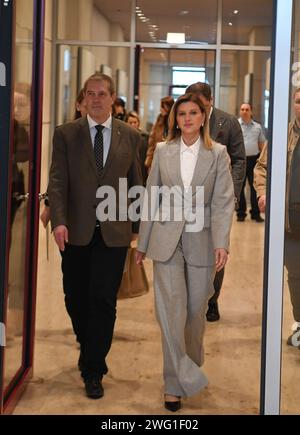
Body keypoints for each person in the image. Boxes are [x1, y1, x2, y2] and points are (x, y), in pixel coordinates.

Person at [136, 93, 235, 411]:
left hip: (201, 241)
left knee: (194, 315)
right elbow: (152, 197)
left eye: (194, 113)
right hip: (166, 240)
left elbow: (222, 201)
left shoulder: (218, 153)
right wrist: (142, 243)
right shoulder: (164, 151)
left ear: (203, 117)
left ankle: (188, 365)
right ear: (174, 119)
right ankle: (174, 385)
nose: (188, 118)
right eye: (182, 114)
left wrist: (221, 241)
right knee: (171, 314)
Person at [48, 73, 143, 399]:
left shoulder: (130, 136)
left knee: (103, 301)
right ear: (83, 99)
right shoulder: (66, 134)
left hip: (114, 234)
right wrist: (59, 221)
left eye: (103, 94)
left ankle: (94, 368)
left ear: (113, 98)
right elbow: (57, 182)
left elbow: (135, 185)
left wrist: (137, 230)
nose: (97, 99)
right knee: (75, 297)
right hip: (75, 231)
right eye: (91, 93)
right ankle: (87, 344)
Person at [186, 82, 246, 322]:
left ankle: (212, 300)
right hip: (189, 199)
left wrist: (231, 194)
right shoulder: (185, 120)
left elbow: (240, 159)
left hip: (218, 200)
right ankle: (190, 298)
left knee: (217, 249)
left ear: (209, 101)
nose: (193, 107)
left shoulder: (227, 122)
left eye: (199, 102)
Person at [254, 87, 300, 348]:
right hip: (290, 220)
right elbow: (262, 167)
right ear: (292, 104)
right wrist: (263, 193)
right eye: (298, 101)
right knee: (295, 275)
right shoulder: (282, 136)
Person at [40, 89, 87, 228]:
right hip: (72, 207)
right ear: (78, 106)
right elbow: (58, 174)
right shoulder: (67, 135)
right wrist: (49, 205)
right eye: (86, 106)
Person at [237, 102, 266, 223]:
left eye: (247, 109)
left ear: (251, 112)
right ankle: (241, 213)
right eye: (242, 109)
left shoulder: (257, 127)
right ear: (240, 111)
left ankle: (255, 213)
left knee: (255, 188)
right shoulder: (236, 125)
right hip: (239, 160)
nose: (244, 111)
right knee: (240, 188)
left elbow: (262, 144)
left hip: (254, 160)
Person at [144, 96, 174, 171]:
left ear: (169, 107)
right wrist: (149, 160)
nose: (161, 109)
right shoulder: (159, 119)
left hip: (170, 161)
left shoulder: (175, 122)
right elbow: (152, 140)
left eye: (163, 107)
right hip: (156, 158)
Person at [125, 110, 148, 185]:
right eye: (130, 123)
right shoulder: (122, 138)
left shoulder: (145, 137)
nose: (133, 125)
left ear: (138, 123)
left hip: (141, 170)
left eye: (135, 122)